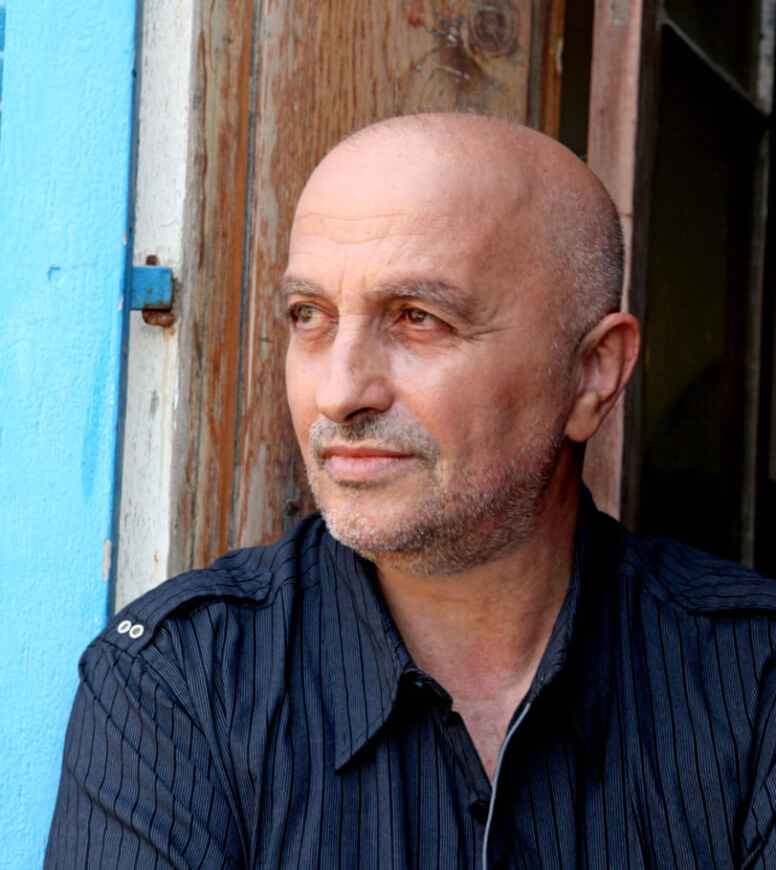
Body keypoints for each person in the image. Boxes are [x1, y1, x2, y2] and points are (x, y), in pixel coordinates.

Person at [46, 114, 776, 868]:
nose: (338, 393)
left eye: (419, 319)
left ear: (593, 372)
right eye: (310, 317)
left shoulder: (754, 679)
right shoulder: (180, 684)